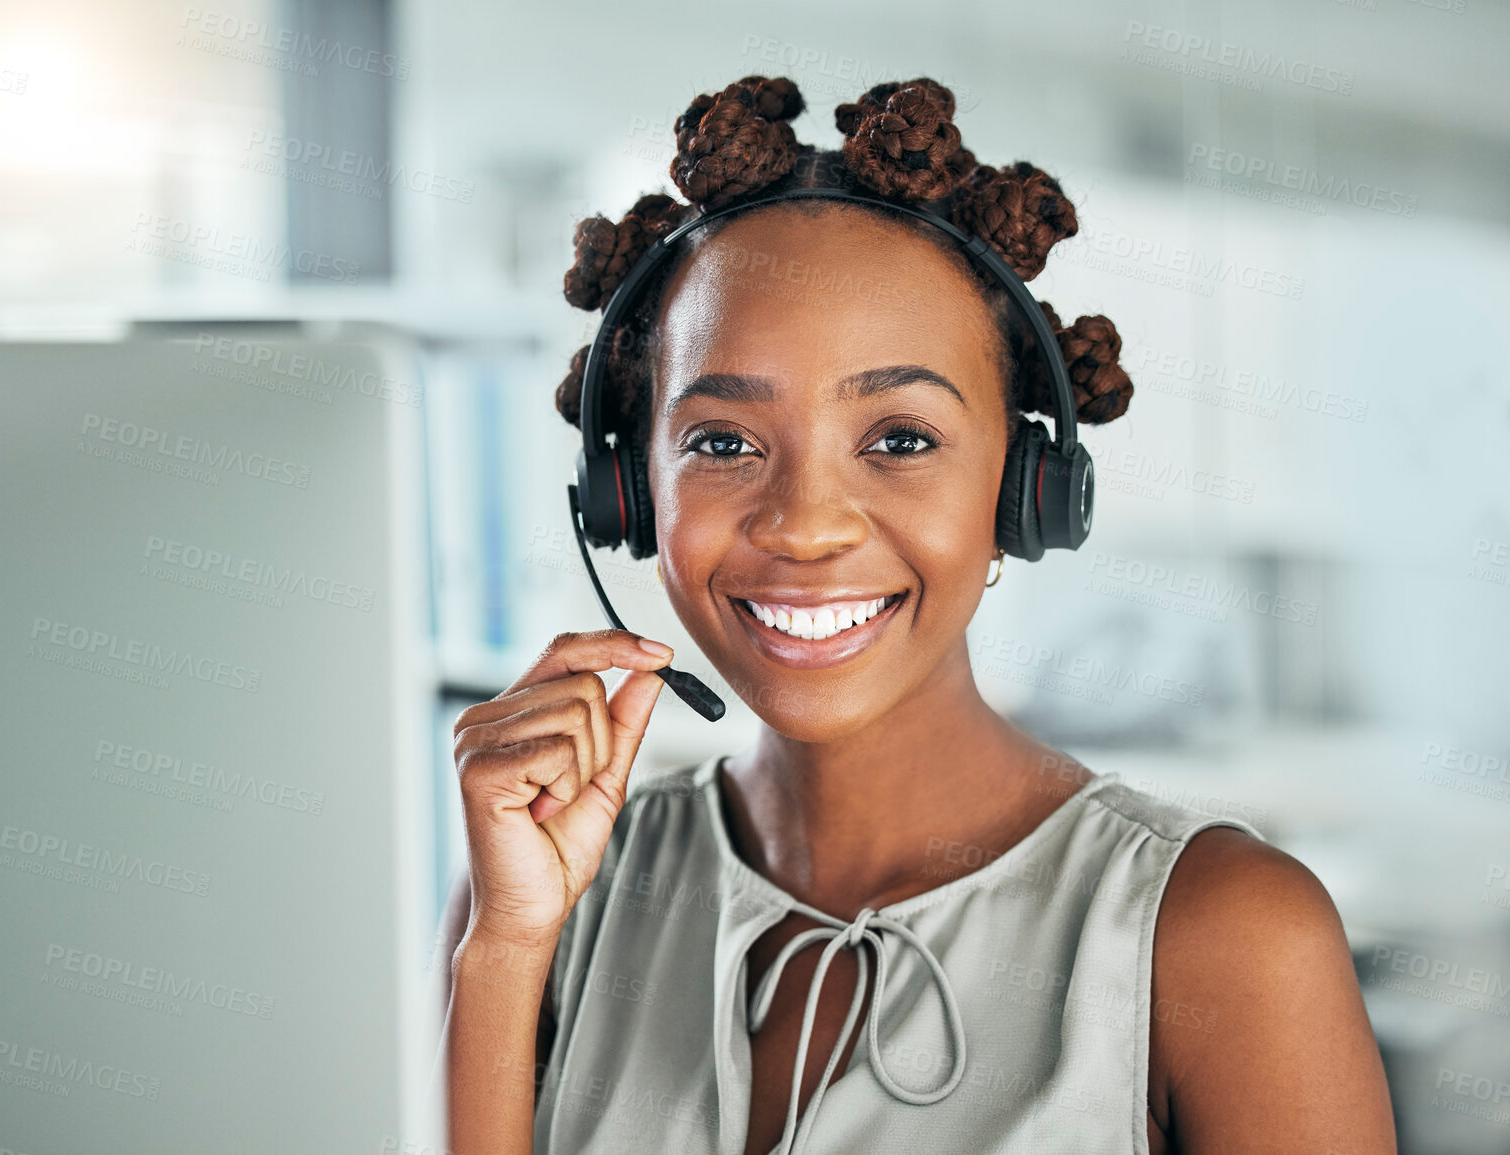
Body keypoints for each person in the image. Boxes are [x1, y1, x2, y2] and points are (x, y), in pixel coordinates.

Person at [435, 75, 1394, 1154]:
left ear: (1025, 488)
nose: (804, 527)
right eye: (721, 443)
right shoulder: (556, 889)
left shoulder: (1226, 934)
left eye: (900, 440)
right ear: (629, 491)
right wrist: (504, 952)